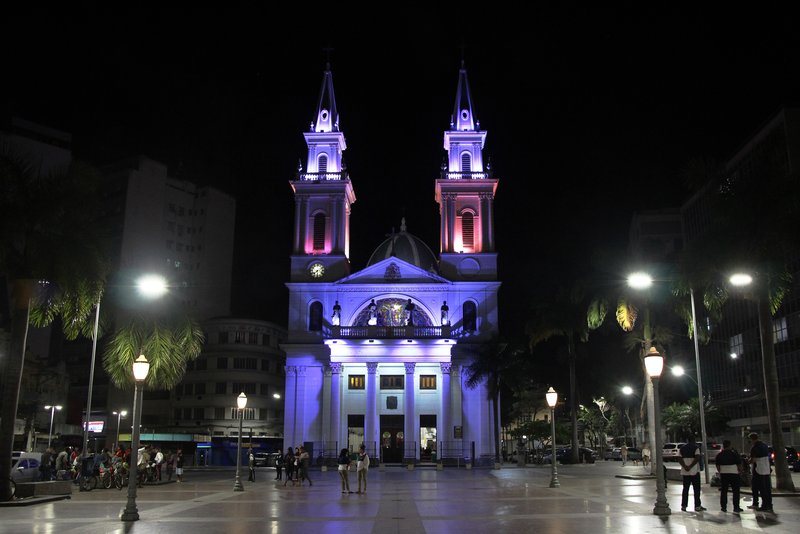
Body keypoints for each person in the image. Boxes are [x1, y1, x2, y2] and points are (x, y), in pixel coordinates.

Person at [678, 437, 706, 512]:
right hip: (694, 471)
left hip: (685, 472)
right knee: (696, 489)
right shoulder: (696, 448)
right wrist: (690, 466)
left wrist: (685, 466)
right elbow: (697, 458)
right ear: (694, 441)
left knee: (685, 489)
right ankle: (697, 506)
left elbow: (679, 458)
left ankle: (684, 506)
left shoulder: (682, 448)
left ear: (687, 440)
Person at [715, 439, 743, 513]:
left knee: (724, 491)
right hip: (734, 473)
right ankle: (736, 507)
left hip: (724, 473)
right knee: (736, 491)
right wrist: (740, 472)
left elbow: (717, 466)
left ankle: (723, 507)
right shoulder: (734, 454)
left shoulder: (719, 455)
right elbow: (739, 464)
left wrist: (720, 472)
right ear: (730, 445)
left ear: (723, 446)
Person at [748, 432, 773, 512]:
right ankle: (769, 505)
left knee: (758, 488)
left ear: (752, 439)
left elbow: (753, 460)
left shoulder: (754, 448)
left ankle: (761, 505)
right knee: (767, 488)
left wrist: (748, 461)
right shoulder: (765, 445)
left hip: (758, 470)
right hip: (766, 469)